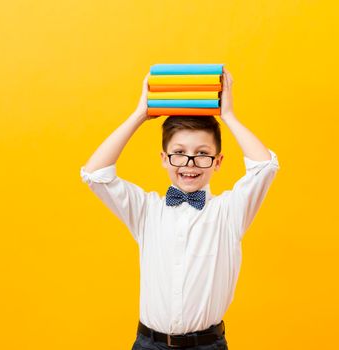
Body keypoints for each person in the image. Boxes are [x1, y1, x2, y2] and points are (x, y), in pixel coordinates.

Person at [79, 67, 280, 349]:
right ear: (164, 158)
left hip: (207, 344)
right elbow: (95, 173)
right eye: (179, 153)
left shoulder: (229, 212)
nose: (189, 164)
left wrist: (229, 116)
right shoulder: (146, 211)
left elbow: (265, 167)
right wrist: (140, 115)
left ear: (218, 161)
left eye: (202, 154)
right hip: (149, 343)